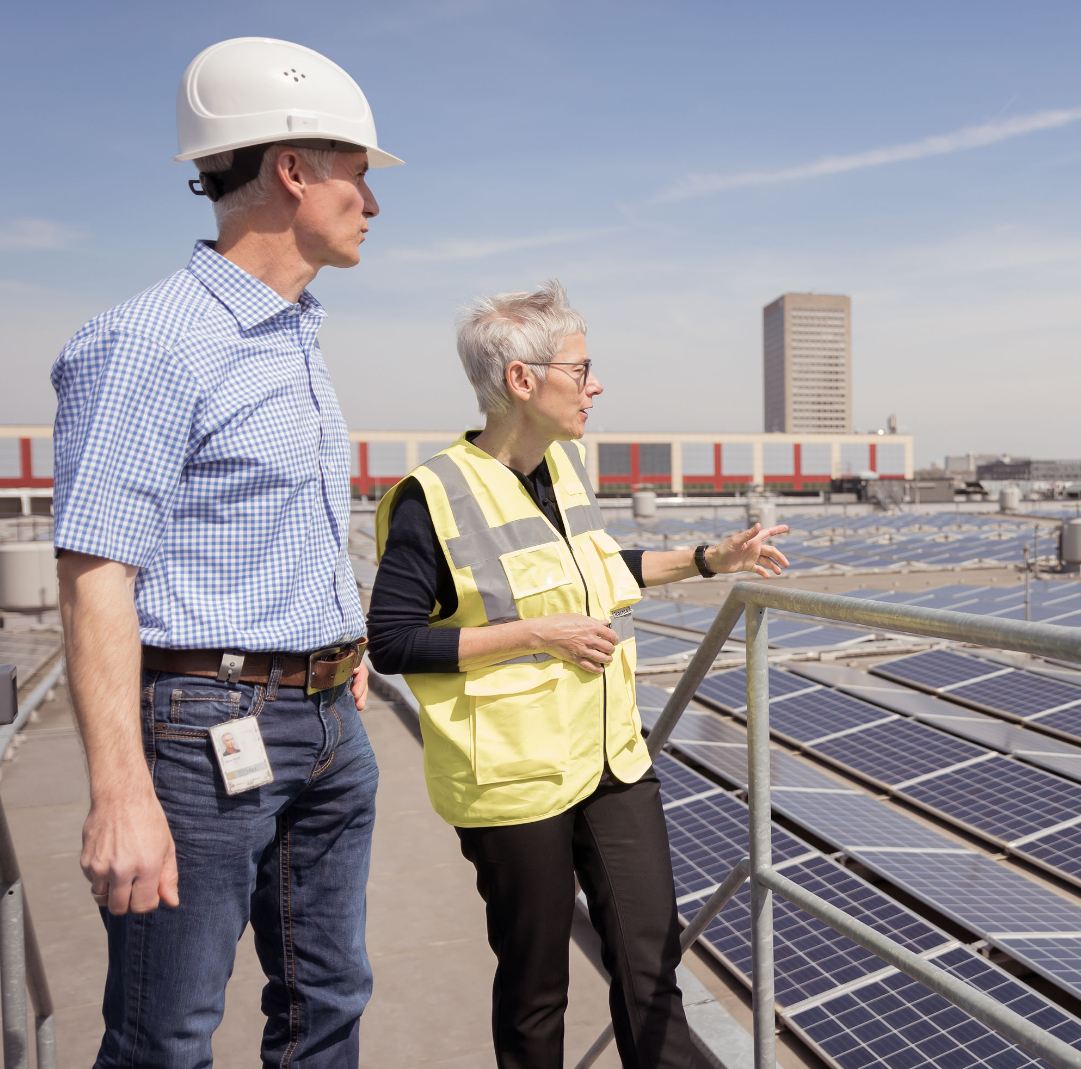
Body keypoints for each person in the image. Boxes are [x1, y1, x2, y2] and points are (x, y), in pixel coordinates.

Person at [52, 37, 401, 1067]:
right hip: (205, 733)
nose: (372, 204)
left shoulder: (294, 333)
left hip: (329, 717)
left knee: (328, 1005)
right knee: (168, 1035)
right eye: (359, 175)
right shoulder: (150, 342)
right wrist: (122, 793)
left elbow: (276, 521)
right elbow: (95, 571)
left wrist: (338, 648)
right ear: (293, 170)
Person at [367, 281, 789, 1069]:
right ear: (521, 381)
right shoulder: (435, 495)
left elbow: (599, 571)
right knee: (537, 992)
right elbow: (390, 641)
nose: (596, 385)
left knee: (651, 966)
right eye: (581, 368)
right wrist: (533, 633)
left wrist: (708, 558)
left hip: (610, 759)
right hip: (513, 781)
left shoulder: (564, 472)